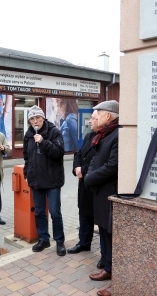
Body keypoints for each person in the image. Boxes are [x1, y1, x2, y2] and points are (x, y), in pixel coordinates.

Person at [84, 100, 119, 296]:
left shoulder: (118, 135)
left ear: (107, 116)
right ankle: (108, 267)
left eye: (95, 116)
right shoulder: (102, 136)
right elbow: (95, 161)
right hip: (100, 193)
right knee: (104, 232)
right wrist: (89, 175)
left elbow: (112, 166)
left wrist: (89, 178)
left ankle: (115, 274)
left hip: (110, 193)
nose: (92, 120)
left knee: (111, 234)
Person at [23, 105, 66, 256]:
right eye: (32, 119)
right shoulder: (28, 134)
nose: (35, 121)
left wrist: (43, 142)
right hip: (36, 181)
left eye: (38, 118)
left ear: (43, 118)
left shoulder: (54, 132)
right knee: (40, 212)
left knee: (55, 212)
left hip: (52, 181)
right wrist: (26, 172)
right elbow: (26, 157)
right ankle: (43, 239)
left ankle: (59, 241)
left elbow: (59, 152)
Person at [67, 110, 106, 267]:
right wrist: (77, 167)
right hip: (84, 183)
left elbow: (99, 161)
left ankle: (105, 255)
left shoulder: (106, 137)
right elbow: (79, 153)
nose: (90, 121)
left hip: (97, 183)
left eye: (93, 118)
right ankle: (84, 242)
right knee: (84, 214)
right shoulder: (90, 135)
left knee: (101, 221)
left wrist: (83, 170)